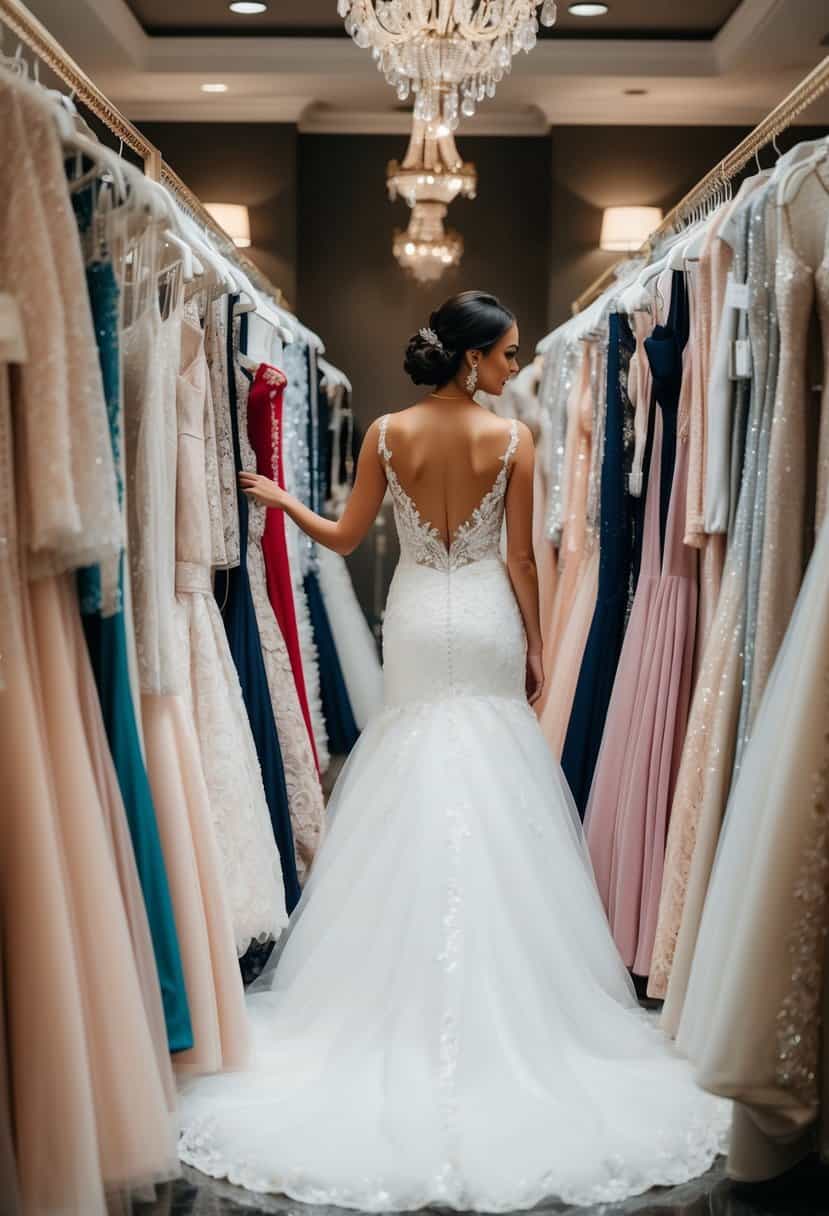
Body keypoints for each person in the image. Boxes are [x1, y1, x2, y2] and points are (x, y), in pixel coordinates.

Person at [178, 290, 729, 1211]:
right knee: (491, 773)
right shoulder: (512, 442)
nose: (515, 371)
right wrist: (543, 641)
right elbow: (519, 559)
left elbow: (349, 538)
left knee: (410, 769)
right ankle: (502, 1003)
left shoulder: (387, 433)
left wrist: (281, 503)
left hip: (412, 617)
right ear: (472, 359)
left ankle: (385, 997)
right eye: (508, 356)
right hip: (480, 618)